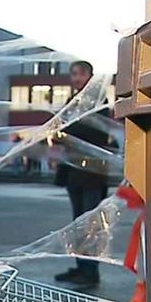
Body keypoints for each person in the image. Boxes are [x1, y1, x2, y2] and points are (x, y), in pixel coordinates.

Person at [54, 60, 115, 287]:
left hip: (92, 172)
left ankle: (91, 271)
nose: (76, 79)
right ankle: (81, 267)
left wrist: (65, 129)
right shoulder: (75, 101)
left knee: (90, 223)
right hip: (74, 171)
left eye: (80, 74)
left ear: (90, 76)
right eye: (73, 74)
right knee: (78, 222)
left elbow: (92, 131)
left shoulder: (97, 101)